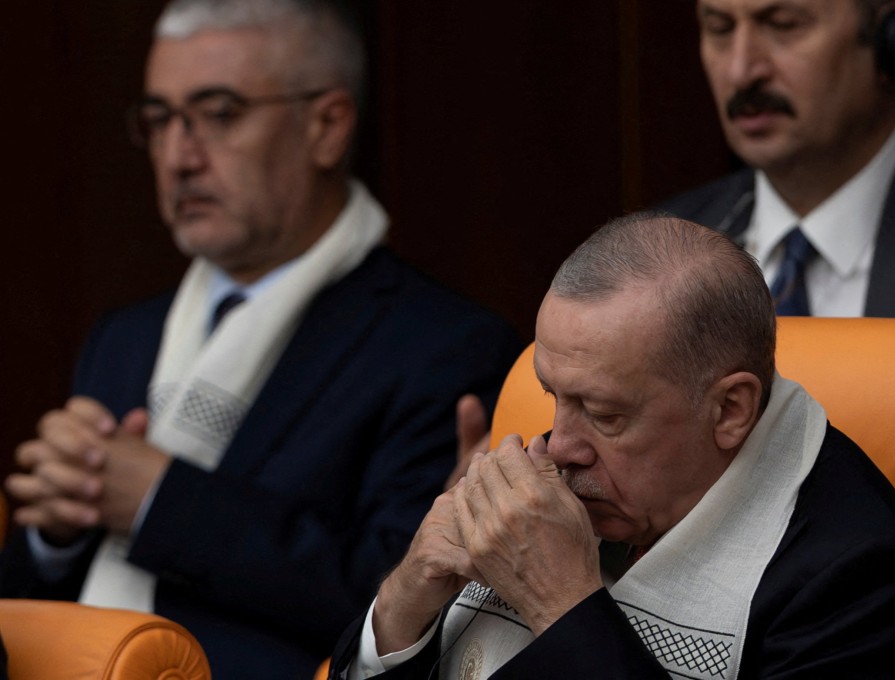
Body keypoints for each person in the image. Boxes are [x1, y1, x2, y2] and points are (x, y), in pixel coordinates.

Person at [0, 1, 521, 678]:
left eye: (218, 114)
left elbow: (407, 597)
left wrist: (161, 502)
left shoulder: (443, 346)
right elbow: (25, 603)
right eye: (160, 120)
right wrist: (56, 532)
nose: (180, 157)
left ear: (327, 128)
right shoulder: (123, 338)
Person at [328, 213, 895, 679]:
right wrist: (406, 598)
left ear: (730, 409)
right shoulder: (548, 478)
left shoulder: (857, 575)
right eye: (554, 397)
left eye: (605, 414)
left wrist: (562, 602)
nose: (561, 447)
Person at [659, 0, 895, 321]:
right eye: (720, 28)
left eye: (784, 24)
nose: (741, 71)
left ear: (893, 40)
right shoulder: (660, 253)